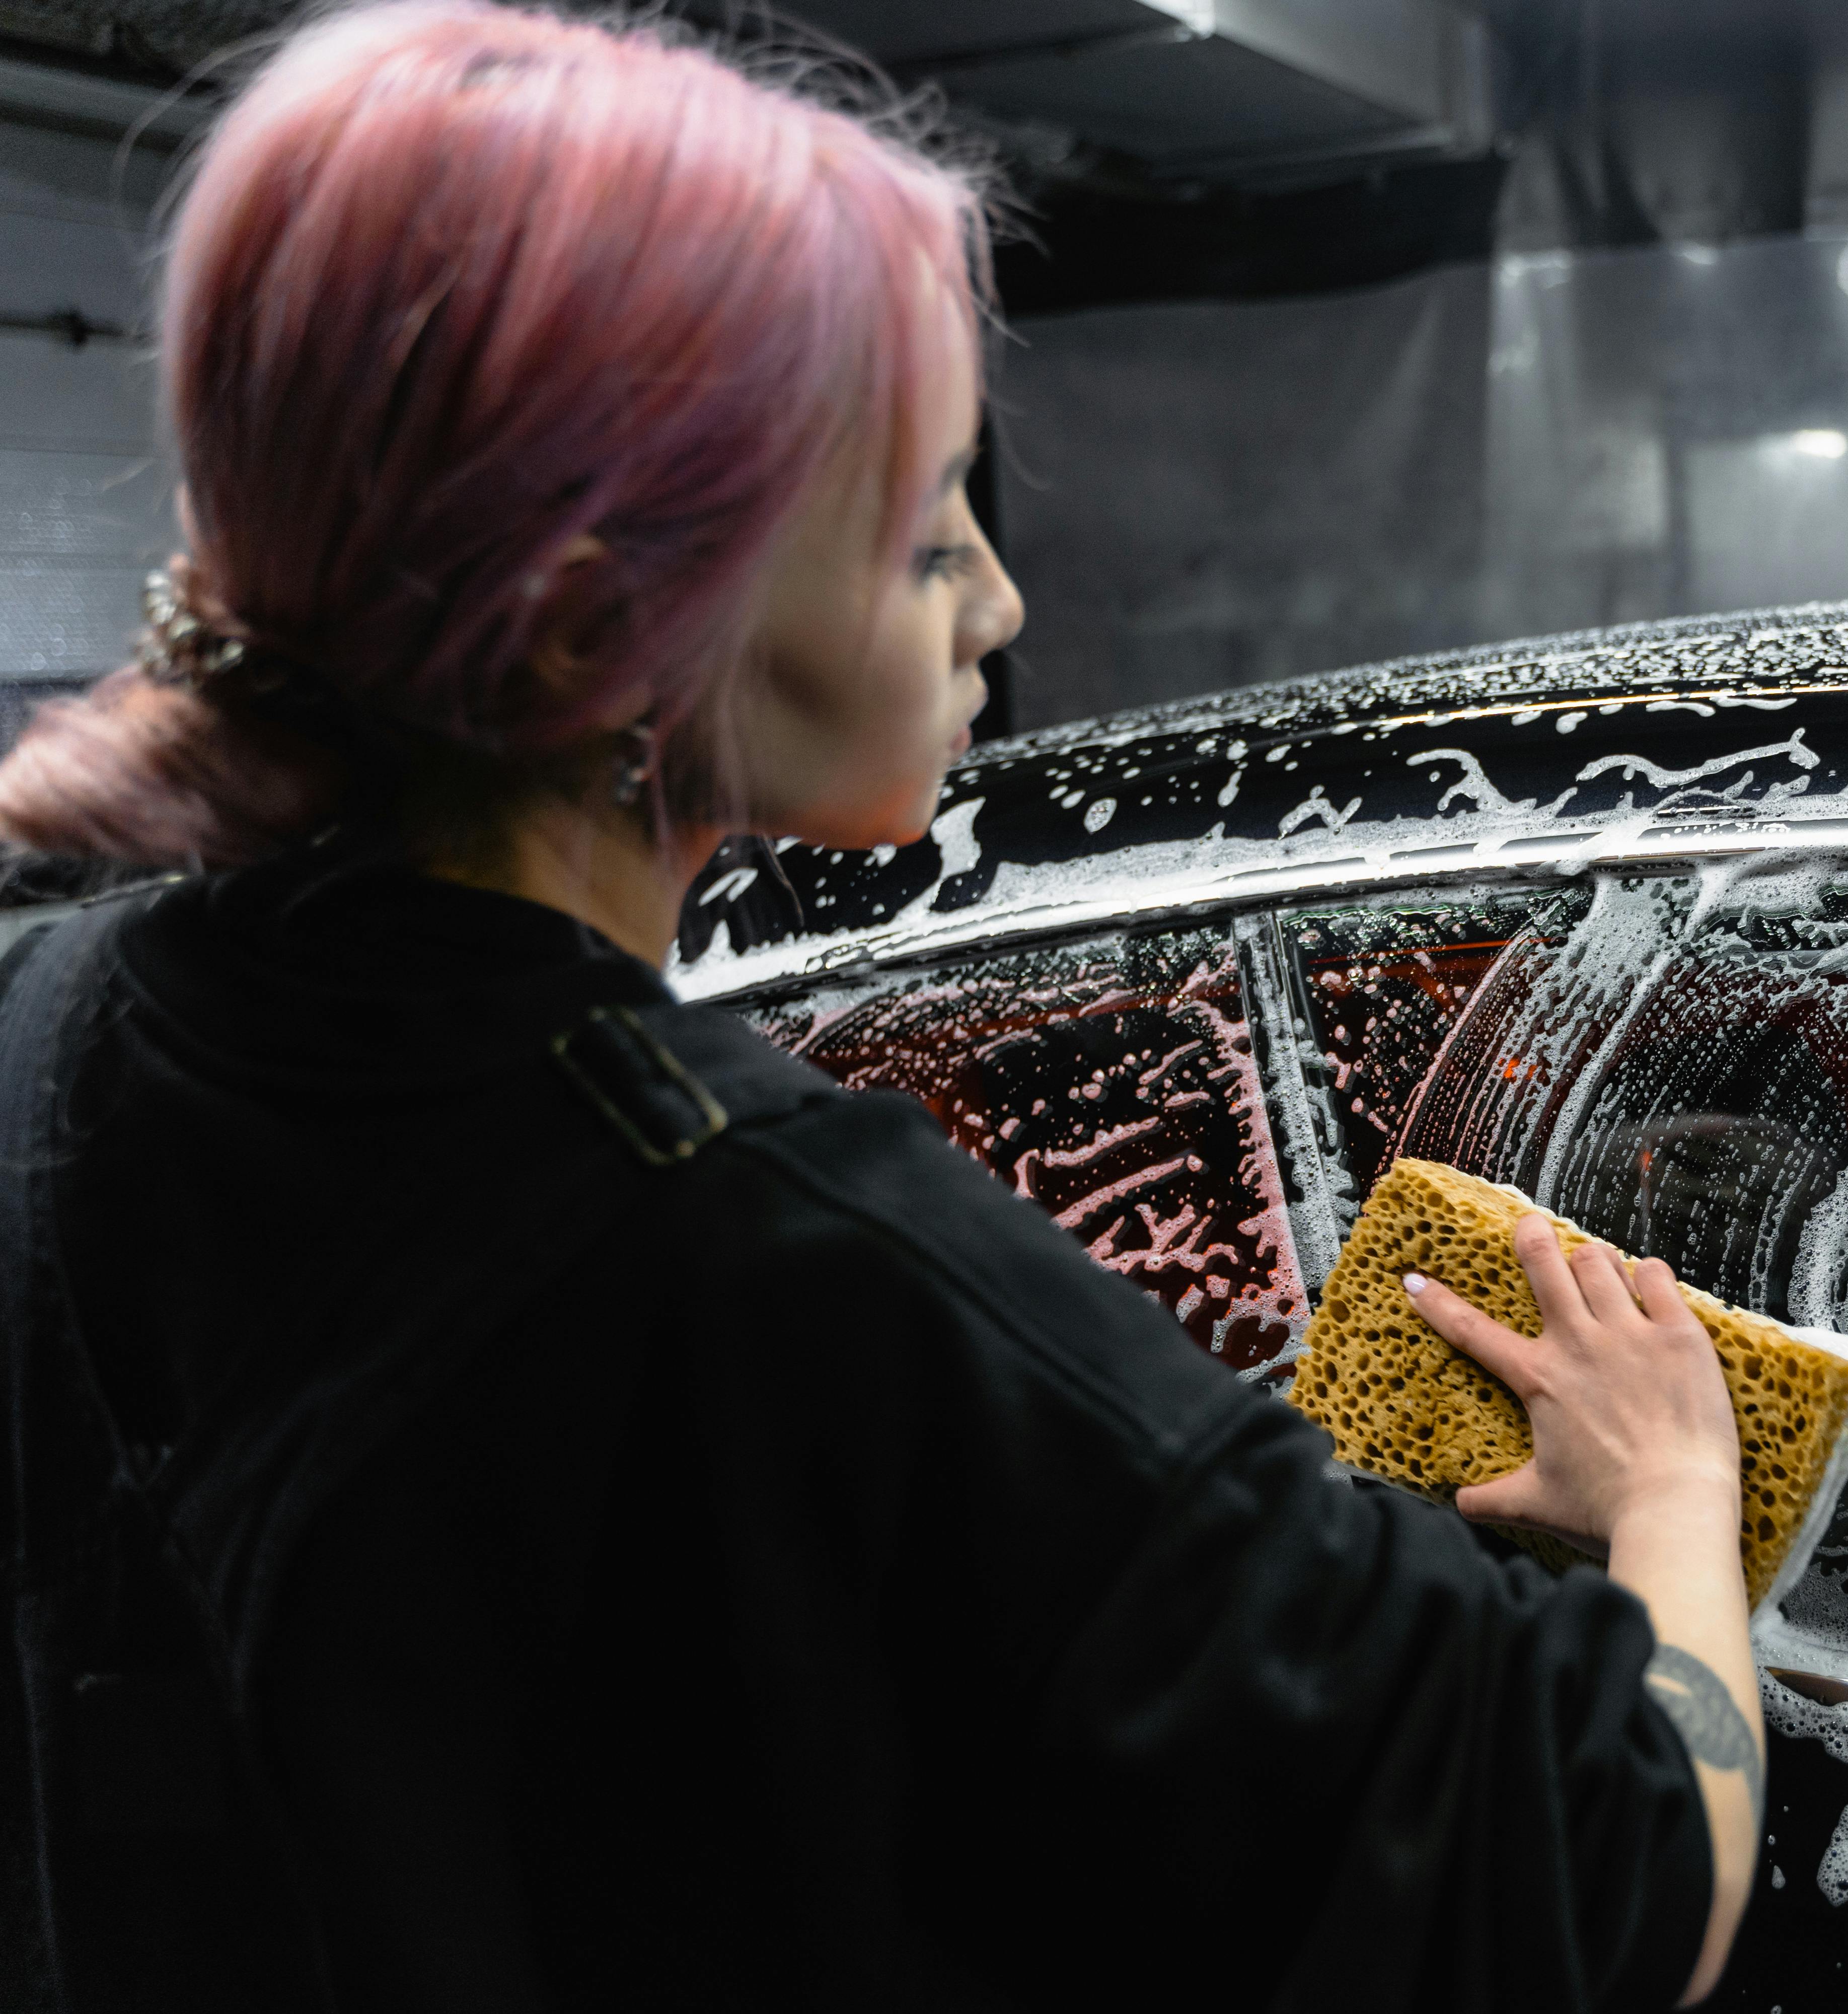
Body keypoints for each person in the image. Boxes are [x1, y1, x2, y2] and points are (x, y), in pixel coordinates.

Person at [0, 5, 1760, 2008]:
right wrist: (1675, 1493)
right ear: (598, 627)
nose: (1001, 603)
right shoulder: (768, 1257)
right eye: (928, 532)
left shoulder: (53, 1010)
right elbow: (1612, 1876)